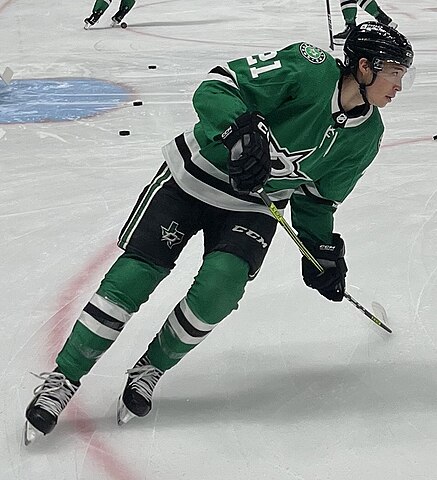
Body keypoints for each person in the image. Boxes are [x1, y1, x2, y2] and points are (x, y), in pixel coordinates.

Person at [23, 22, 414, 444]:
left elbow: (317, 200)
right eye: (394, 72)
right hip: (192, 178)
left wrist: (321, 250)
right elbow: (216, 86)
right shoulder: (308, 68)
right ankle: (62, 380)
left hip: (253, 204)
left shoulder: (367, 136)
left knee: (220, 291)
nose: (398, 86)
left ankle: (149, 369)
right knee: (134, 278)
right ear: (364, 66)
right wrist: (237, 127)